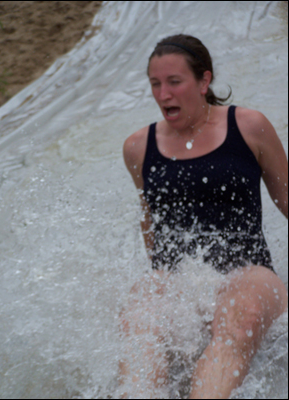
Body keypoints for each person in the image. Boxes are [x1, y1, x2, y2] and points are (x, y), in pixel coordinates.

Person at [120, 34, 288, 399]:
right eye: (155, 84)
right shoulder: (137, 147)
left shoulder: (249, 126)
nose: (163, 94)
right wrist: (161, 287)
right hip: (180, 280)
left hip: (249, 273)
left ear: (204, 81)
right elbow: (149, 222)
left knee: (239, 316)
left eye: (174, 82)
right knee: (139, 316)